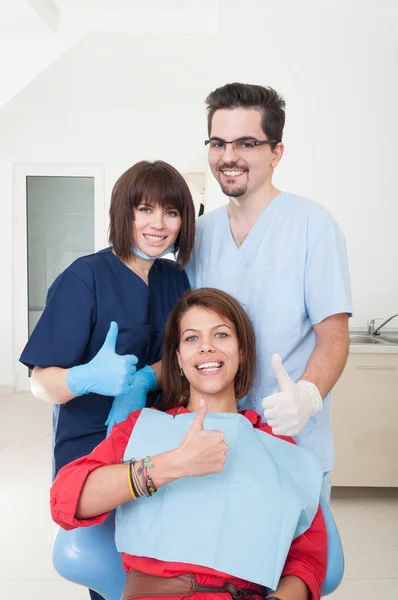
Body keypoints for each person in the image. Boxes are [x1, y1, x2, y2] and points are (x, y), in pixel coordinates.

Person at [50, 288, 327, 600]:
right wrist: (170, 465)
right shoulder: (141, 428)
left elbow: (306, 558)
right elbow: (66, 498)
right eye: (192, 338)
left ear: (243, 351)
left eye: (221, 335)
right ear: (179, 359)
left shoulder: (274, 443)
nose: (206, 347)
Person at [20, 160, 195, 600]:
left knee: (155, 563)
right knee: (109, 570)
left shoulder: (175, 279)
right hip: (93, 446)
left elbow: (180, 353)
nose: (158, 224)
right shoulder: (85, 278)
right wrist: (85, 378)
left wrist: (142, 378)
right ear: (123, 213)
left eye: (171, 213)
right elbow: (41, 382)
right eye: (145, 209)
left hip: (158, 443)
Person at [187, 83, 352, 502]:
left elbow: (333, 336)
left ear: (276, 152)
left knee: (294, 564)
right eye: (218, 143)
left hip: (291, 445)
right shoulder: (200, 234)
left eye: (246, 143)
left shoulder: (313, 226)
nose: (228, 157)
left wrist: (308, 394)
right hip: (214, 445)